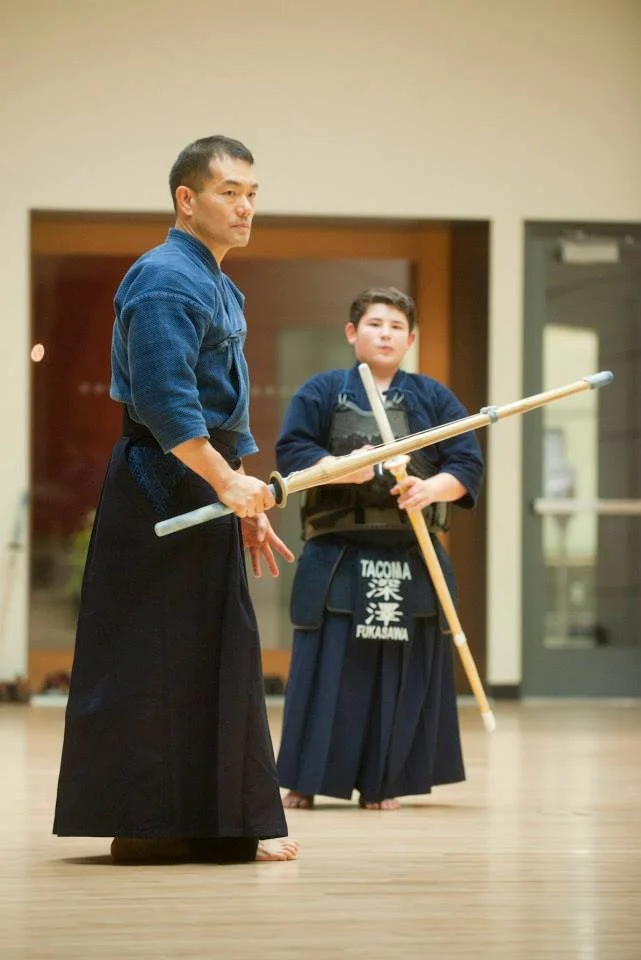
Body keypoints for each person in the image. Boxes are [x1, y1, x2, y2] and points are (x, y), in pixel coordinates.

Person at [54, 135, 299, 864]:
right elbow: (167, 403)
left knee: (211, 653)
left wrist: (246, 499)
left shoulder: (219, 283)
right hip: (162, 487)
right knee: (152, 656)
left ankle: (218, 823)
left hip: (205, 482)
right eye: (229, 191)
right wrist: (226, 483)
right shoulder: (164, 278)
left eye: (252, 192)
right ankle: (149, 823)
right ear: (185, 200)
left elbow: (227, 411)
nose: (245, 205)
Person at [276, 287, 484, 810]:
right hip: (338, 554)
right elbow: (293, 453)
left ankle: (384, 780)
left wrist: (427, 489)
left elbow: (466, 463)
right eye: (374, 324)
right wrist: (343, 468)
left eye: (396, 326)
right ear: (352, 333)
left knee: (399, 671)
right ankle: (306, 778)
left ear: (410, 339)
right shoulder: (321, 391)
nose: (385, 333)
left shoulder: (434, 398)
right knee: (328, 668)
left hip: (410, 554)